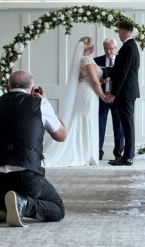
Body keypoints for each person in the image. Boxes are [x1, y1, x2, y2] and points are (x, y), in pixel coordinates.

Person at [0, 70, 67, 227]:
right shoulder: (40, 104)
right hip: (25, 173)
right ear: (32, 87)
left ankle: (1, 205)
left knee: (4, 176)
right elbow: (61, 135)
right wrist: (46, 102)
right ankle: (24, 205)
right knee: (58, 209)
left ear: (8, 87)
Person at [43, 36, 106, 167]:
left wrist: (102, 82)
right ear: (90, 47)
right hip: (89, 94)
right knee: (86, 120)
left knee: (81, 120)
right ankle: (86, 154)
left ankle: (84, 152)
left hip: (82, 91)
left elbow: (85, 78)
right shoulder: (88, 60)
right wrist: (103, 95)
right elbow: (94, 81)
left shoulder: (78, 60)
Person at [104, 20, 140, 166]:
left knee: (127, 124)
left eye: (119, 31)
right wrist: (103, 71)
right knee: (126, 123)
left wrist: (113, 93)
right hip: (127, 92)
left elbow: (123, 73)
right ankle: (126, 155)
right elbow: (119, 70)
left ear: (124, 31)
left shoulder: (128, 47)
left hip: (126, 92)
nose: (118, 34)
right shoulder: (130, 46)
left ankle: (128, 156)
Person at [94, 38, 124, 161]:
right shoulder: (97, 61)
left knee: (119, 126)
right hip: (102, 97)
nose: (109, 51)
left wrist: (114, 94)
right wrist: (103, 94)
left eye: (111, 48)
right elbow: (93, 80)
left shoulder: (122, 60)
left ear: (115, 49)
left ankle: (118, 153)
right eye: (106, 48)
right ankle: (98, 152)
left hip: (117, 97)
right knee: (99, 126)